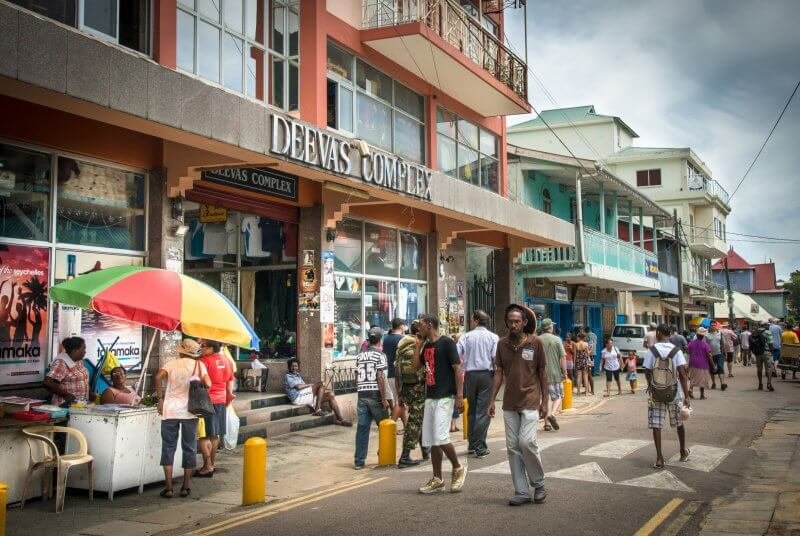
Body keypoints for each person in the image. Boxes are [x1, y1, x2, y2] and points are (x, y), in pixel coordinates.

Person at [489, 304, 548, 506]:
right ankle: (521, 491)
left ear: (524, 323)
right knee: (513, 447)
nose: (513, 325)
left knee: (526, 442)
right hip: (509, 403)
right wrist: (491, 400)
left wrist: (545, 402)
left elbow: (542, 373)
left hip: (531, 400)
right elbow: (498, 372)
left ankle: (539, 484)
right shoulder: (502, 344)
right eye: (510, 321)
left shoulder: (535, 342)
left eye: (517, 321)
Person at [413, 313, 467, 494]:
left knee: (441, 436)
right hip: (431, 396)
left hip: (445, 396)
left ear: (429, 325)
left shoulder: (447, 343)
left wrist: (459, 395)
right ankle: (437, 479)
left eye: (420, 324)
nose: (418, 328)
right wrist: (418, 346)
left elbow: (457, 369)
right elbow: (415, 367)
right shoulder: (426, 345)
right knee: (431, 439)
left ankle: (458, 467)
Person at [153, 339, 211, 499]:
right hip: (190, 412)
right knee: (189, 448)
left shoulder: (172, 364)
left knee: (168, 447)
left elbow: (158, 377)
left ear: (181, 351)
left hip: (170, 411)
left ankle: (169, 488)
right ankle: (185, 486)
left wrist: (160, 399)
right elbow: (208, 383)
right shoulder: (199, 366)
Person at [645, 324, 691, 469]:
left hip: (656, 393)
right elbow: (683, 374)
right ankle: (683, 451)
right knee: (679, 422)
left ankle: (659, 458)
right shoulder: (676, 351)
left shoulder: (651, 351)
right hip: (674, 392)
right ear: (669, 335)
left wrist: (652, 386)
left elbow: (647, 372)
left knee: (656, 425)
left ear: (658, 333)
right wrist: (687, 396)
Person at [457, 310, 498, 457]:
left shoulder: (466, 337)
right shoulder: (493, 337)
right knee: (483, 411)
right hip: (486, 375)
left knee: (472, 410)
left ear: (475, 320)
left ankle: (472, 443)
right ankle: (480, 446)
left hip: (469, 376)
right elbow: (495, 359)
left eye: (471, 319)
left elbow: (457, 356)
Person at [195, 340, 235, 478]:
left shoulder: (203, 361)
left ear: (211, 348)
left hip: (206, 400)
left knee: (204, 434)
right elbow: (230, 380)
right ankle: (211, 463)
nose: (201, 348)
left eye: (204, 346)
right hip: (221, 399)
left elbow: (199, 380)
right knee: (215, 434)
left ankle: (208, 466)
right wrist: (228, 397)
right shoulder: (226, 360)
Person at [353, 326, 390, 470]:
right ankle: (385, 455)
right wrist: (384, 398)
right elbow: (380, 376)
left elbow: (356, 375)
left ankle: (359, 461)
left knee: (362, 429)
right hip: (375, 395)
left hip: (362, 395)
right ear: (380, 340)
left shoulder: (360, 355)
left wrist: (362, 387)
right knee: (385, 425)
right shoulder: (380, 355)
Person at [395, 320, 428, 467]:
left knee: (417, 419)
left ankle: (425, 449)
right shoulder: (419, 346)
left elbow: (397, 372)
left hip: (406, 389)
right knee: (414, 422)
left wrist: (400, 394)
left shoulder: (401, 347)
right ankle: (405, 456)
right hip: (418, 389)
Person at [284, 358, 351, 426]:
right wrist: (312, 385)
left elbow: (304, 387)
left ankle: (341, 419)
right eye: (292, 366)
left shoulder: (298, 375)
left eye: (296, 366)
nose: (294, 368)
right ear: (289, 367)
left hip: (305, 396)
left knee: (331, 395)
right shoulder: (288, 376)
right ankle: (317, 409)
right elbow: (299, 387)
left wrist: (315, 389)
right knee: (321, 384)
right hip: (297, 398)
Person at [43, 337, 89, 408]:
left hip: (79, 405)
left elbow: (83, 379)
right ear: (75, 351)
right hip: (64, 405)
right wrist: (66, 395)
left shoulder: (79, 361)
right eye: (83, 349)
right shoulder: (61, 363)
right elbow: (47, 382)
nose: (85, 351)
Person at [538, 318, 566, 432]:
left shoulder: (536, 340)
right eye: (552, 326)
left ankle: (546, 424)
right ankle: (552, 414)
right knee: (558, 396)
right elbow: (563, 357)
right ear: (550, 327)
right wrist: (565, 372)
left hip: (540, 374)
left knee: (545, 399)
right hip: (554, 374)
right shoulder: (557, 339)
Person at [382, 318, 408, 432]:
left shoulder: (385, 338)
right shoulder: (403, 339)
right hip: (398, 374)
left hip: (388, 373)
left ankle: (406, 426)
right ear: (401, 326)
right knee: (399, 402)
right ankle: (390, 428)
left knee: (399, 400)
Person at [686, 327, 714, 400]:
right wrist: (713, 365)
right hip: (703, 364)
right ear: (703, 336)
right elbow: (709, 356)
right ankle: (702, 395)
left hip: (692, 363)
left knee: (693, 378)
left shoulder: (691, 343)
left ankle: (690, 390)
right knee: (702, 380)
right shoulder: (705, 345)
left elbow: (687, 351)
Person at [752, 321, 775, 391]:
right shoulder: (768, 332)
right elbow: (770, 344)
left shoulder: (755, 333)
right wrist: (772, 352)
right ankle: (769, 383)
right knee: (769, 369)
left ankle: (760, 384)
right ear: (765, 326)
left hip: (758, 353)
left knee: (759, 369)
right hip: (767, 353)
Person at [706, 322, 726, 391]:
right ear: (710, 326)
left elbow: (723, 343)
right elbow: (705, 345)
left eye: (714, 325)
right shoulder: (707, 335)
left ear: (716, 326)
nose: (713, 326)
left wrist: (724, 353)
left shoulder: (720, 334)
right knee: (712, 370)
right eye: (712, 325)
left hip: (719, 354)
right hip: (710, 355)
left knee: (720, 368)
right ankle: (713, 383)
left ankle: (722, 383)